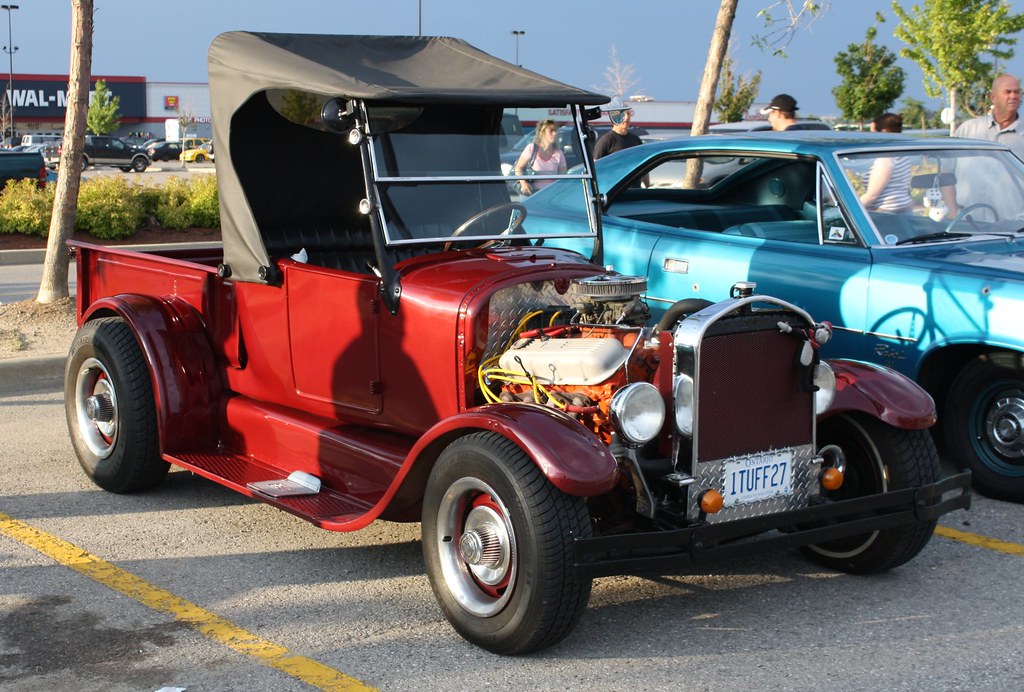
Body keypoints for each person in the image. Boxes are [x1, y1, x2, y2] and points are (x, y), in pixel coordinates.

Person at [954, 73, 1024, 160]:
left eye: (1017, 92)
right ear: (993, 97)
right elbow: (948, 168)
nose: (1013, 96)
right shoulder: (968, 130)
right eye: (1007, 92)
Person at [859, 113, 914, 214]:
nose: (869, 136)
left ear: (883, 132)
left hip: (885, 214)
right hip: (903, 208)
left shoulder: (886, 159)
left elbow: (872, 195)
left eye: (872, 132)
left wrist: (849, 210)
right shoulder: (901, 153)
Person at [513, 119, 567, 196]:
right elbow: (518, 168)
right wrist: (523, 183)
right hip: (532, 193)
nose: (555, 133)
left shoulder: (558, 153)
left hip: (551, 194)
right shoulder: (531, 148)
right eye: (551, 131)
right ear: (542, 133)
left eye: (555, 131)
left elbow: (563, 177)